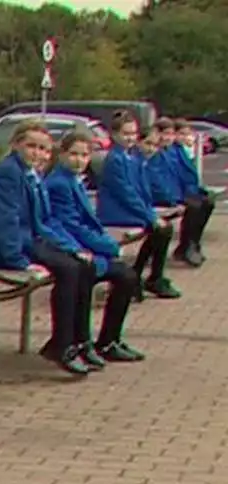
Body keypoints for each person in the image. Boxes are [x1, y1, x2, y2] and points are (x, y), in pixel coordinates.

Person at [0, 118, 94, 376]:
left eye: (44, 149)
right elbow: (6, 222)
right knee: (69, 270)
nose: (38, 154)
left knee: (81, 264)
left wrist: (70, 247)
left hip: (27, 240)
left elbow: (42, 223)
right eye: (31, 147)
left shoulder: (32, 175)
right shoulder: (8, 172)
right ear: (16, 145)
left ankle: (78, 341)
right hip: (0, 250)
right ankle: (62, 345)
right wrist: (18, 262)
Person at [44, 128, 146, 363]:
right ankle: (86, 341)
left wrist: (106, 244)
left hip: (84, 248)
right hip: (72, 248)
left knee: (127, 276)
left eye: (84, 155)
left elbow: (89, 223)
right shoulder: (59, 183)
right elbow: (72, 226)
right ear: (61, 154)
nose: (79, 160)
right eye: (73, 154)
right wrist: (108, 247)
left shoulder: (72, 180)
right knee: (116, 276)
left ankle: (107, 340)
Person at [96, 110, 181, 300]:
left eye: (133, 133)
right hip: (115, 212)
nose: (130, 138)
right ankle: (146, 277)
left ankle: (144, 275)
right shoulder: (114, 159)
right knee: (160, 229)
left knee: (162, 228)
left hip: (129, 209)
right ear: (114, 134)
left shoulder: (132, 156)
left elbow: (141, 189)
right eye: (125, 134)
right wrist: (150, 216)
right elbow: (126, 193)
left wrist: (150, 211)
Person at [167, 118, 215, 266]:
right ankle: (187, 245)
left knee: (208, 202)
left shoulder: (181, 151)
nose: (186, 137)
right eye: (181, 134)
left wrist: (199, 191)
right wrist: (181, 197)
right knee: (194, 207)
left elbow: (189, 177)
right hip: (174, 194)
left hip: (185, 192)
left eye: (188, 134)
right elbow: (173, 178)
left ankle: (192, 242)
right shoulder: (170, 152)